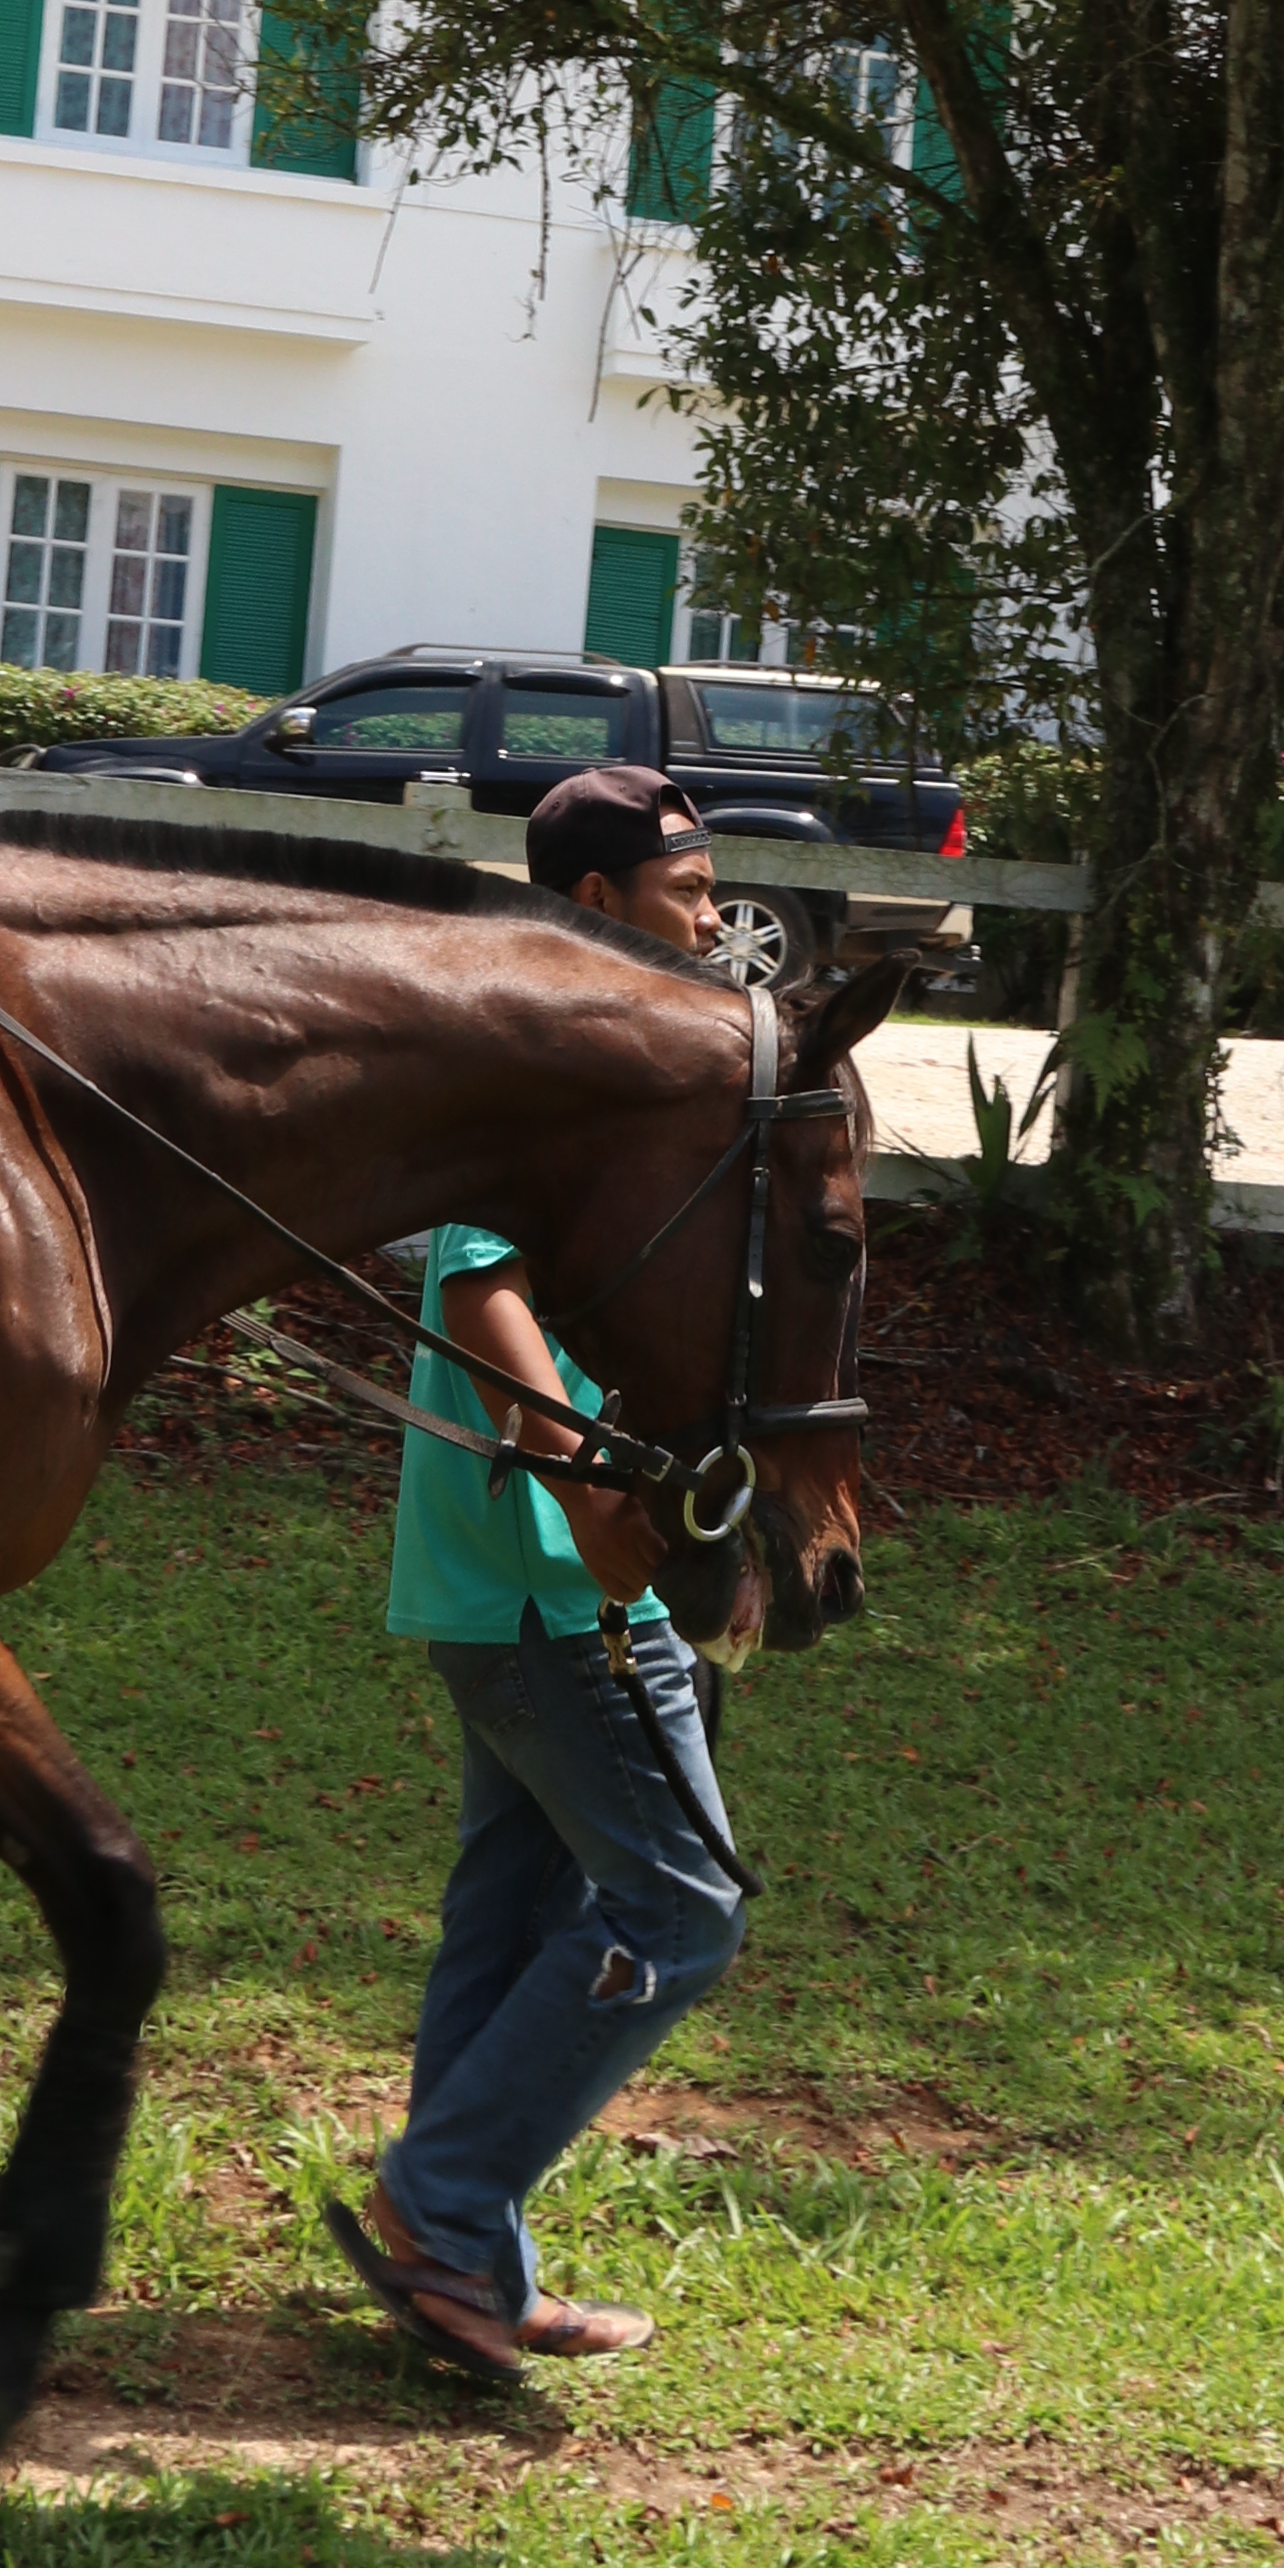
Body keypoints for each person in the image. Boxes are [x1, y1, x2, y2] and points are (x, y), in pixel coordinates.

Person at [327, 761, 751, 2387]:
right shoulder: (549, 1073)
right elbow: (477, 1277)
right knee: (684, 1909)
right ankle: (445, 2197)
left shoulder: (594, 1066)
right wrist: (584, 1493)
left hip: (494, 1593)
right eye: (688, 892)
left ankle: (465, 2273)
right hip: (555, 1592)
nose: (714, 917)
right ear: (594, 907)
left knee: (512, 1928)